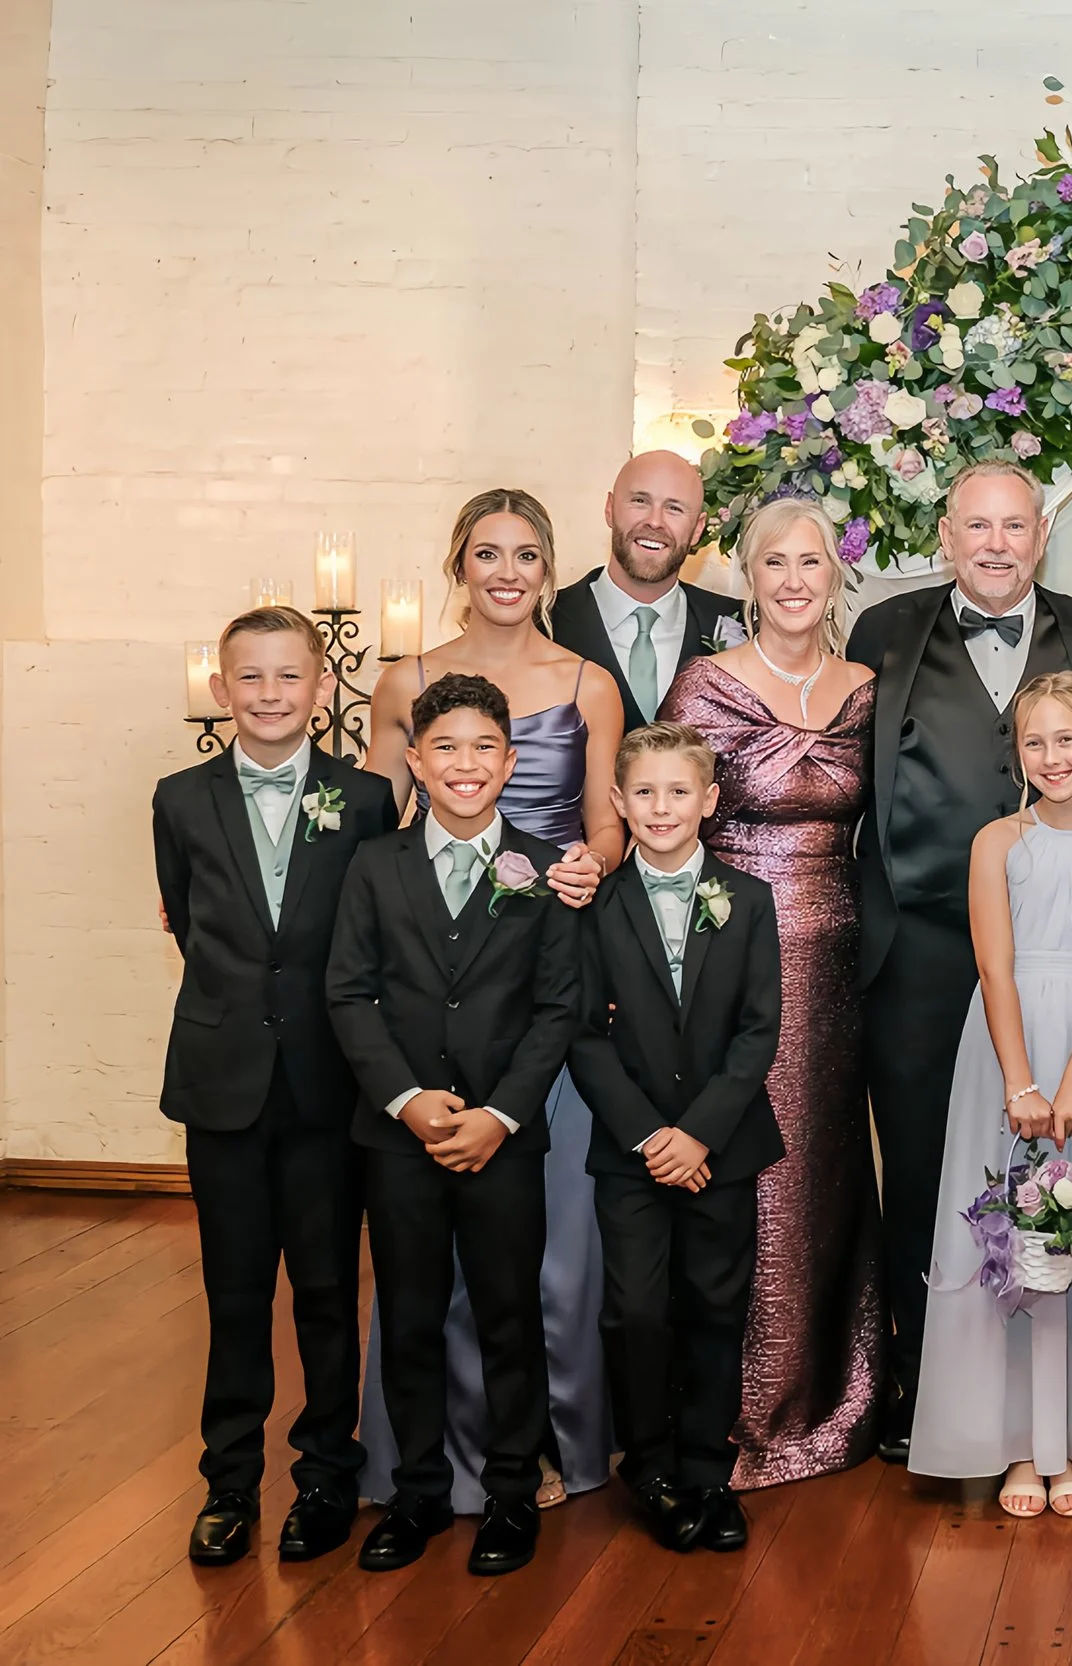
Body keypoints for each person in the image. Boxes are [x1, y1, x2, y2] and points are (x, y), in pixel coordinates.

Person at [846, 460, 1072, 1463]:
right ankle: (919, 1384)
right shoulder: (882, 634)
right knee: (926, 1164)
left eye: (1012, 527)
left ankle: (1056, 1404)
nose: (993, 544)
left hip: (1061, 954)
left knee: (1068, 1158)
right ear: (945, 536)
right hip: (920, 949)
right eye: (974, 527)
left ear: (1041, 536)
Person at [359, 489, 622, 1513]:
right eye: (486, 554)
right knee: (431, 1247)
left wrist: (583, 871)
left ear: (550, 569)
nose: (506, 571)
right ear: (457, 565)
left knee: (549, 1246)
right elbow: (374, 826)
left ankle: (539, 1444)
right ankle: (430, 1457)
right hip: (434, 983)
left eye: (525, 554)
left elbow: (605, 826)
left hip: (546, 970)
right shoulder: (405, 679)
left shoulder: (587, 682)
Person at [154, 608, 399, 1566]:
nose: (268, 696)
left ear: (321, 688)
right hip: (223, 1084)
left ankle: (327, 1477)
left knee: (330, 1289)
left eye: (288, 678)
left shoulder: (367, 797)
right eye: (249, 679)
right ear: (221, 691)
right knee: (234, 1291)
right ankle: (228, 1483)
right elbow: (188, 921)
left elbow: (369, 937)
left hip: (329, 1082)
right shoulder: (179, 798)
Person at [327, 673, 582, 1576]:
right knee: (410, 1315)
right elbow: (348, 993)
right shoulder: (374, 865)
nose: (465, 765)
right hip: (399, 1140)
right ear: (414, 762)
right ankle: (419, 1493)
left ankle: (513, 1493)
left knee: (510, 1315)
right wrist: (407, 1099)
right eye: (446, 748)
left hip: (502, 1139)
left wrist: (501, 1115)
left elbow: (558, 1009)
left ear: (511, 762)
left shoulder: (543, 868)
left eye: (484, 748)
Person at [660, 497, 885, 1486]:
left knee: (822, 1176)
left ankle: (834, 1398)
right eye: (774, 564)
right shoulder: (703, 686)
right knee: (742, 1175)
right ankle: (733, 1411)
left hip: (837, 961)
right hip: (731, 956)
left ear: (834, 575)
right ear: (747, 578)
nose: (795, 580)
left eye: (812, 562)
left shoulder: (870, 688)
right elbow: (666, 826)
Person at [911, 672, 1072, 1517]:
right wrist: (1021, 1079)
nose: (1052, 756)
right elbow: (994, 966)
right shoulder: (995, 843)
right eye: (1034, 742)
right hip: (1004, 1047)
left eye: (1067, 739)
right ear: (1018, 754)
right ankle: (1017, 1447)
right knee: (1006, 1238)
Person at [570, 724, 786, 1553]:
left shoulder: (750, 898)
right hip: (630, 1153)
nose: (662, 808)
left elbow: (758, 1031)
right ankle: (650, 1465)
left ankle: (707, 1469)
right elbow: (584, 1035)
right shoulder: (594, 908)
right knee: (634, 1311)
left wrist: (697, 1135)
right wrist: (649, 1136)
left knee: (715, 1307)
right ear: (620, 804)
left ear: (710, 801)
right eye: (645, 794)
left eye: (679, 792)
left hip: (721, 1151)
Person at [552, 451, 747, 732]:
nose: (655, 521)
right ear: (609, 508)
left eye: (674, 508)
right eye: (640, 501)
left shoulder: (742, 624)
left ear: (697, 529)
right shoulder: (544, 620)